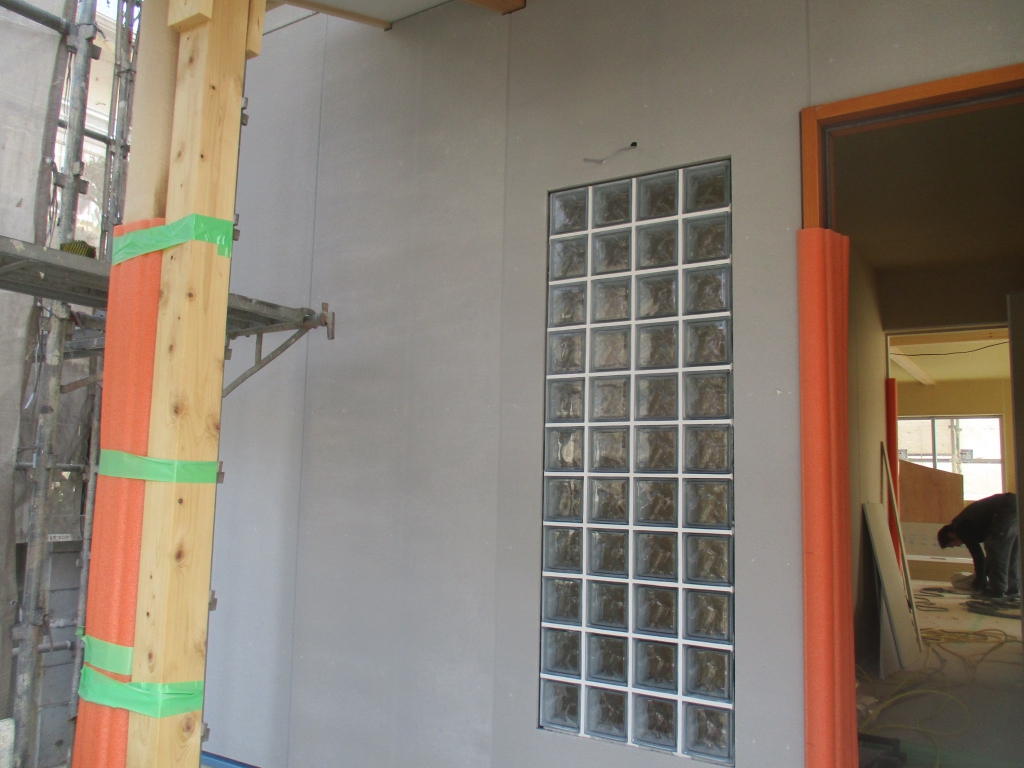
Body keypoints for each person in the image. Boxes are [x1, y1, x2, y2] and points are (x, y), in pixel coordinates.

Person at [938, 492, 1020, 599]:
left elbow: (978, 556)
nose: (957, 546)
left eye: (952, 545)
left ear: (951, 535)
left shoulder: (961, 528)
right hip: (1014, 504)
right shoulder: (965, 523)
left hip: (1006, 507)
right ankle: (1012, 589)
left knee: (995, 547)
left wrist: (979, 581)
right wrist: (981, 579)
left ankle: (997, 591)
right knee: (1011, 551)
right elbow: (984, 560)